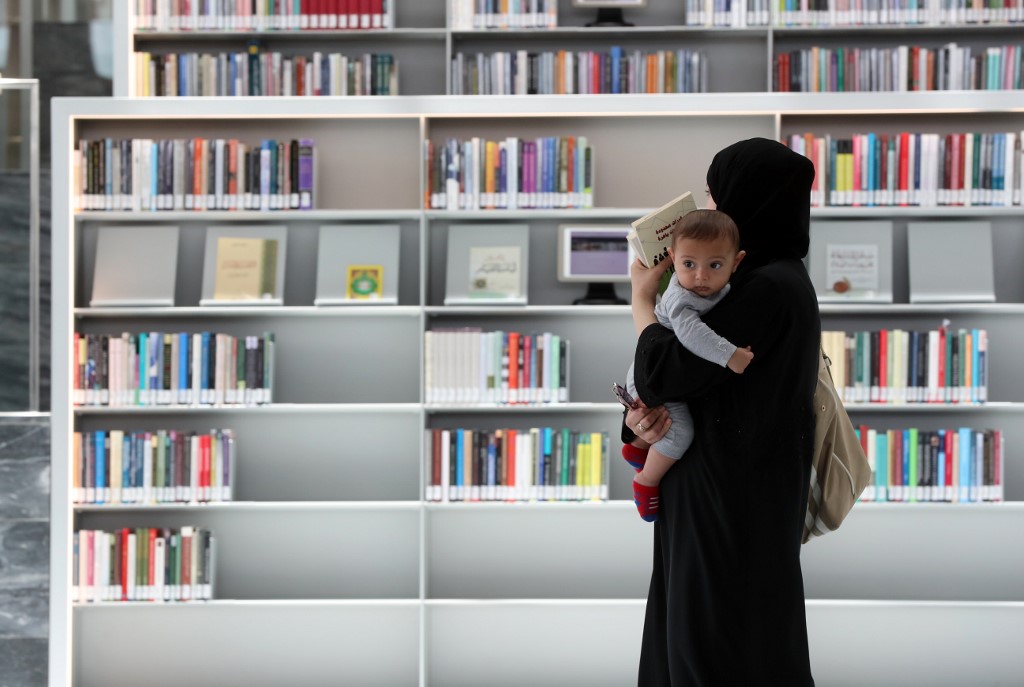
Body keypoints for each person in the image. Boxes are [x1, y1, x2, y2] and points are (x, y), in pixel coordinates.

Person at [623, 137, 819, 685]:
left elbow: (666, 371)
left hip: (729, 500)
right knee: (706, 638)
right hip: (727, 490)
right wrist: (644, 423)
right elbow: (685, 386)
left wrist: (641, 300)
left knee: (713, 647)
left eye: (718, 193)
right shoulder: (752, 280)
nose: (710, 206)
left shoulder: (768, 286)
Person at [623, 209, 754, 523]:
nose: (701, 276)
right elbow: (691, 334)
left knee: (670, 427)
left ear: (737, 262)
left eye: (715, 265)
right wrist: (730, 355)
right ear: (672, 257)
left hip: (659, 373)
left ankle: (637, 451)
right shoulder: (681, 297)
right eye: (688, 264)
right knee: (681, 433)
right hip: (649, 377)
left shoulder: (719, 288)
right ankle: (646, 481)